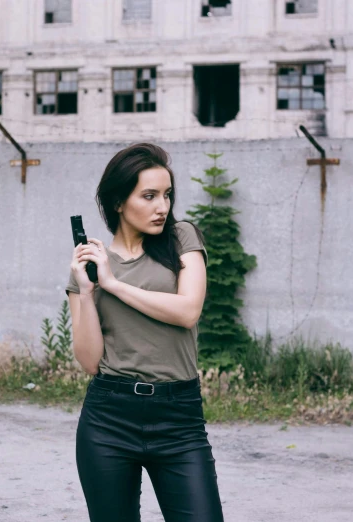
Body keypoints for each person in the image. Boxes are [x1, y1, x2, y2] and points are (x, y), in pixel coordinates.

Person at [65, 143, 224, 522]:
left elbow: (188, 311)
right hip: (109, 419)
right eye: (149, 196)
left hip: (179, 417)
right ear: (119, 201)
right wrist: (88, 292)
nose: (162, 207)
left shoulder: (181, 237)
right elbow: (89, 361)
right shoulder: (89, 268)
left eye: (167, 195)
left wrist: (114, 285)